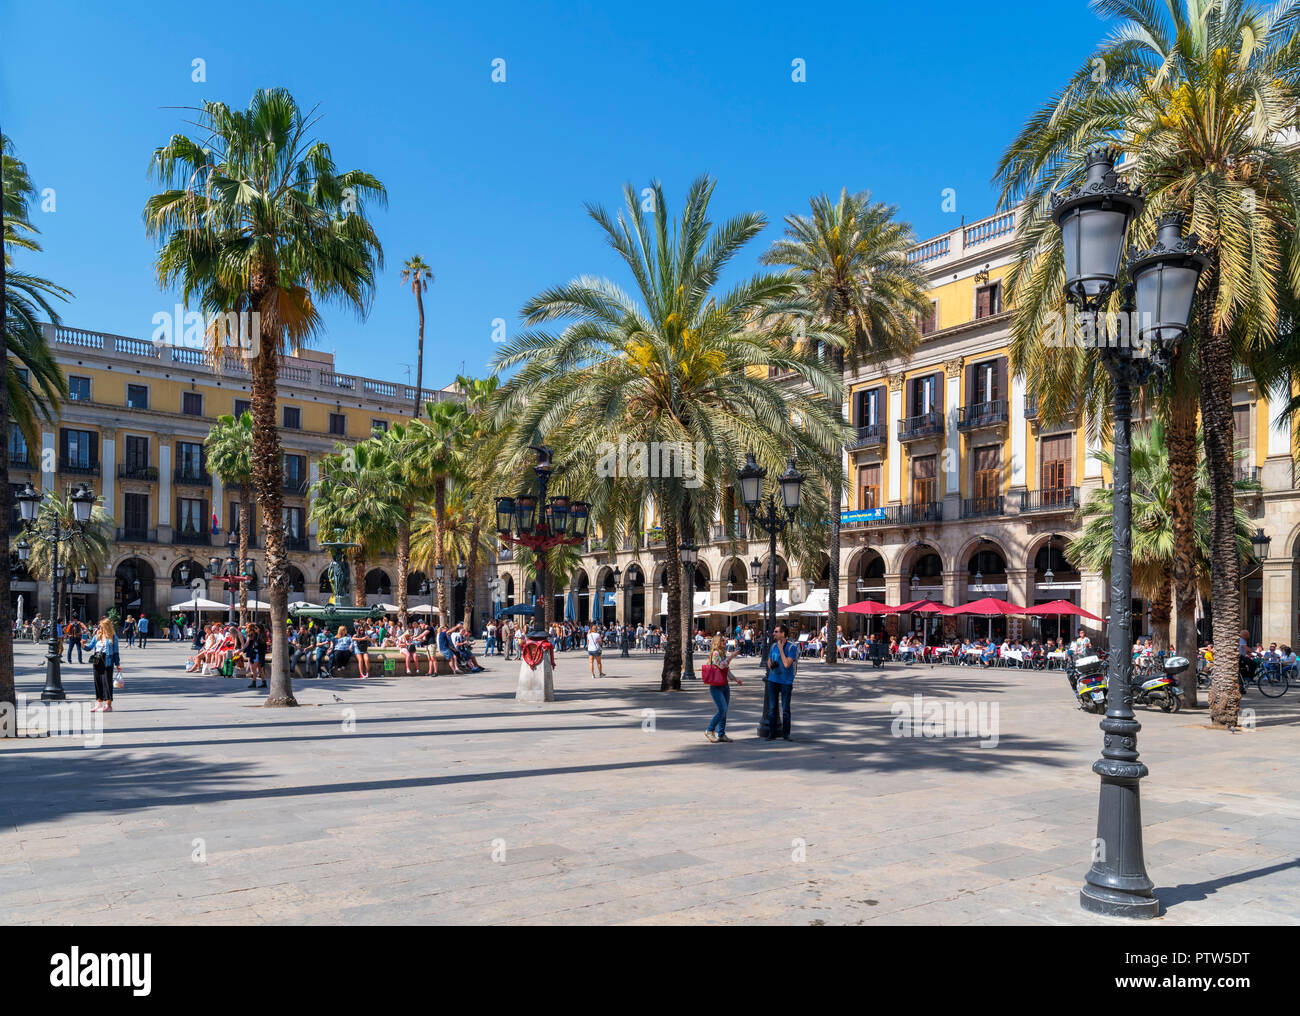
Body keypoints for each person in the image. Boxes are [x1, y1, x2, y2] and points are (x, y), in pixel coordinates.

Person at [704, 634, 743, 743]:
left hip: (724, 685)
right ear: (717, 642)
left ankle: (721, 734)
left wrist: (735, 679)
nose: (725, 643)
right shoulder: (715, 654)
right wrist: (732, 656)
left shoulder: (722, 653)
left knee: (724, 711)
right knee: (722, 709)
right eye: (723, 641)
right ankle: (709, 730)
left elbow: (726, 670)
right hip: (716, 686)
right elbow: (721, 665)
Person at [765, 623, 797, 741]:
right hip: (773, 680)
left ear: (783, 634)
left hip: (785, 682)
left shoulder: (791, 647)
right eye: (774, 631)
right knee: (772, 708)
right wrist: (770, 664)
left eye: (776, 631)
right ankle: (772, 733)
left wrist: (780, 649)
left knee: (785, 709)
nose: (774, 633)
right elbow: (769, 659)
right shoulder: (773, 646)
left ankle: (786, 734)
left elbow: (786, 664)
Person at [87, 617, 119, 713]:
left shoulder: (113, 637)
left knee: (107, 683)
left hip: (107, 660)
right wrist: (83, 645)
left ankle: (108, 705)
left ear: (106, 627)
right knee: (97, 682)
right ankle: (99, 704)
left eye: (101, 627)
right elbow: (89, 647)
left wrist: (117, 664)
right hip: (97, 659)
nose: (99, 628)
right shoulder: (97, 636)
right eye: (99, 626)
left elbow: (116, 652)